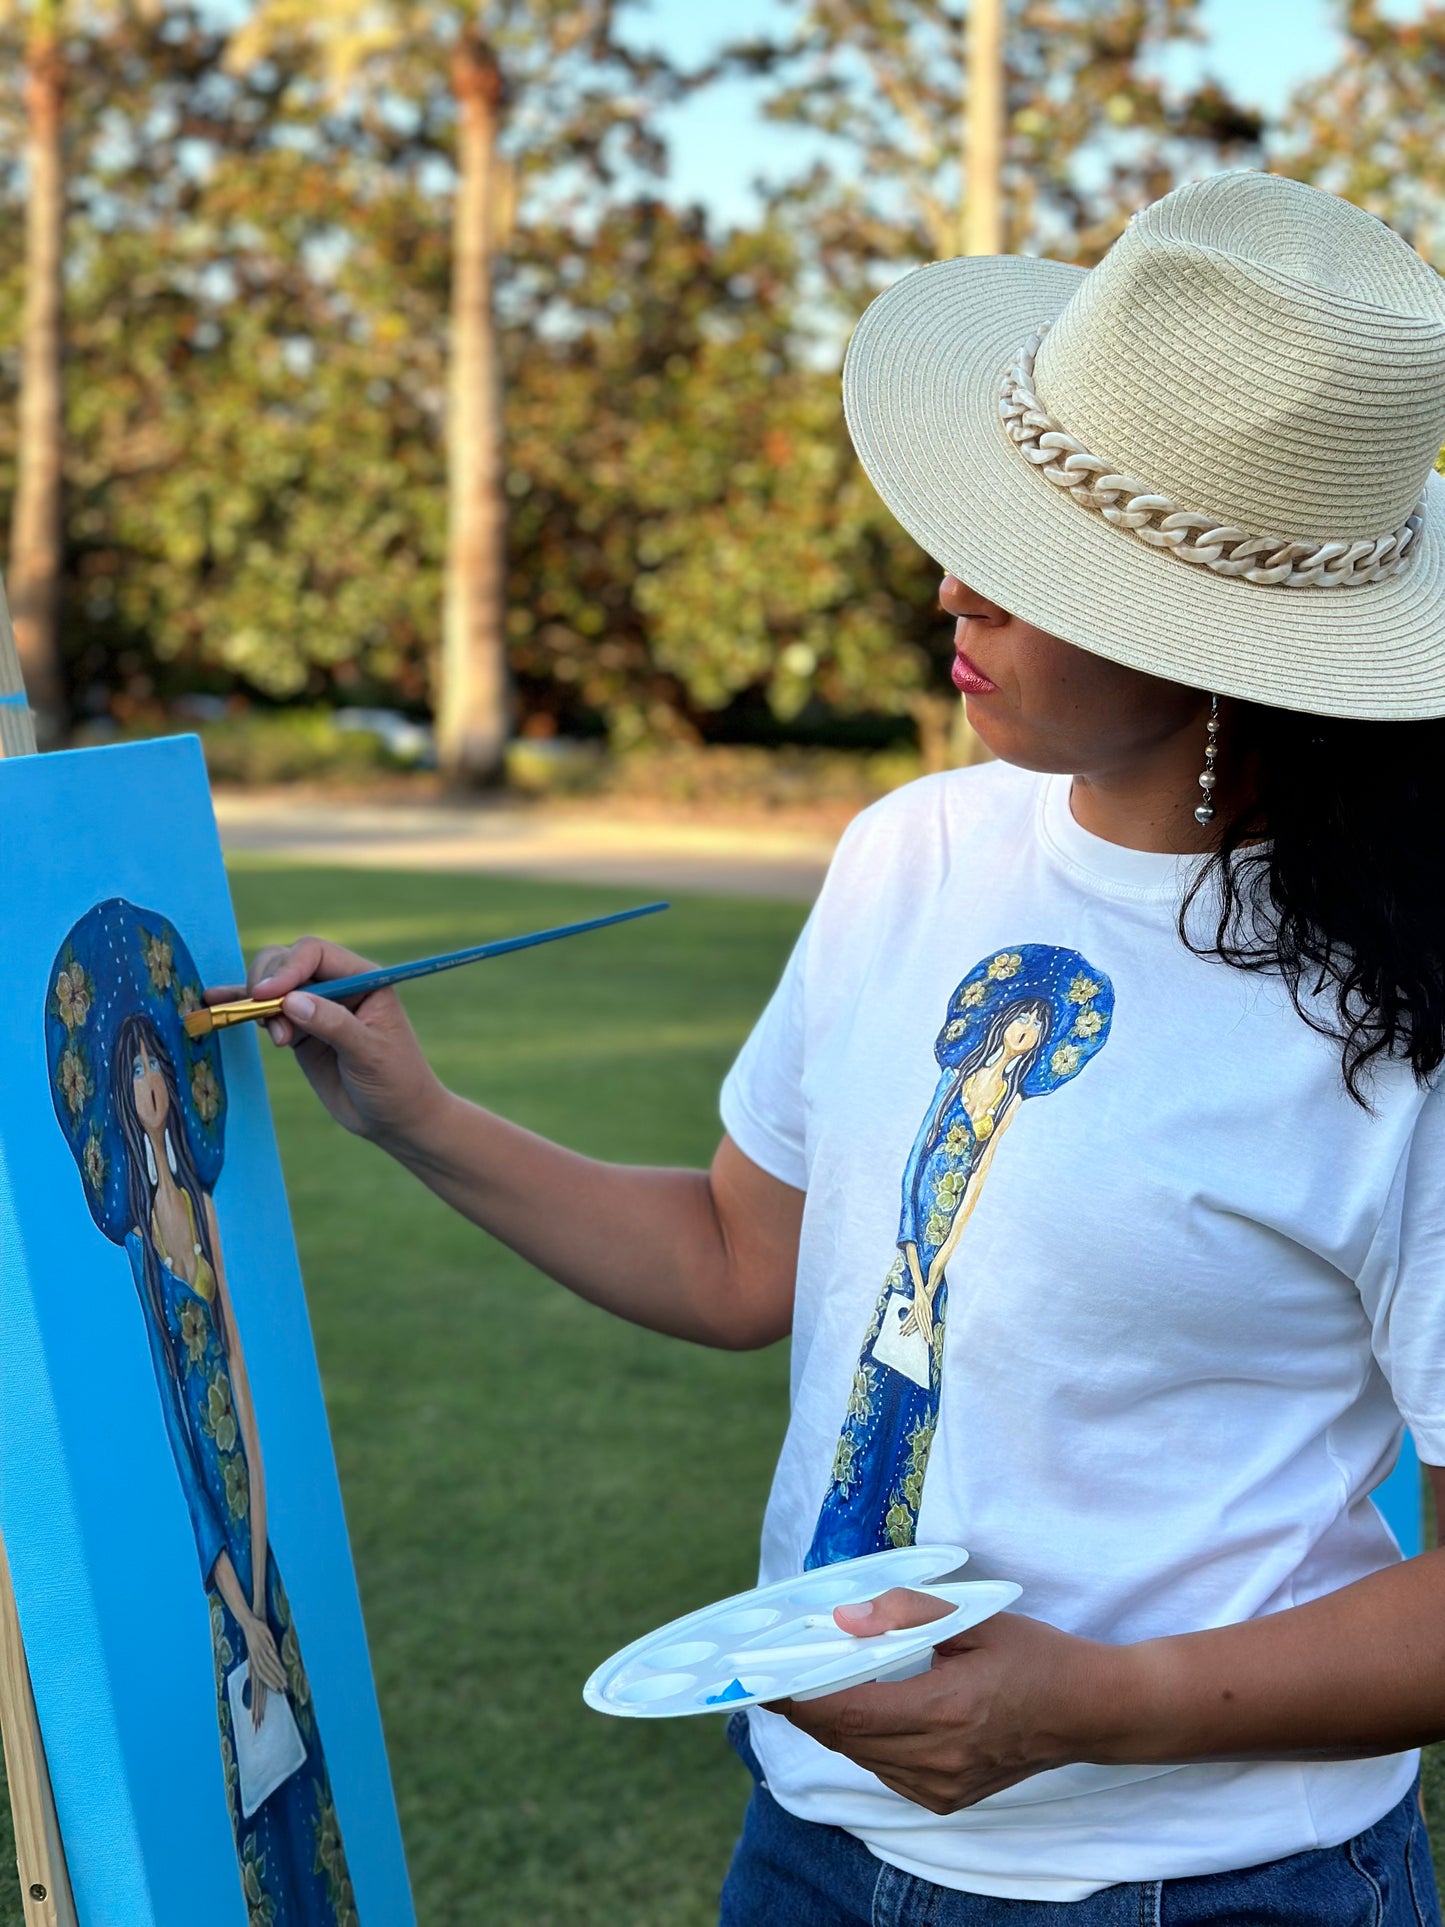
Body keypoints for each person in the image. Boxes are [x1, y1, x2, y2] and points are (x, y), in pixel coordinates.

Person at [223, 173, 1445, 1923]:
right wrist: (418, 1113)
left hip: (1211, 1882)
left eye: (1039, 564)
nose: (954, 580)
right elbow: (741, 1257)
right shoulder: (910, 853)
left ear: (1230, 647)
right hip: (812, 1846)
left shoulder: (1401, 1022)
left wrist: (1089, 1704)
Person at [49, 904, 358, 1927]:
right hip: (215, 1547)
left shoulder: (209, 1212)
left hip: (257, 1539)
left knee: (299, 1742)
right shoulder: (142, 1247)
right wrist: (236, 1601)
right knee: (253, 1750)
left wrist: (268, 1573)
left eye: (156, 1073)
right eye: (133, 1076)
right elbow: (188, 1449)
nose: (148, 1089)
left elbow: (244, 1401)